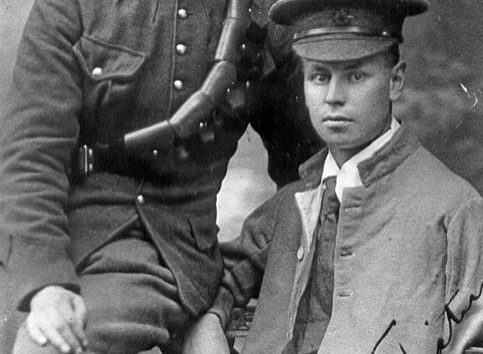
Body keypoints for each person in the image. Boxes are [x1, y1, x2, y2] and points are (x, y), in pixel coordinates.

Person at [183, 0, 483, 353]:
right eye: (320, 76)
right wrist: (209, 322)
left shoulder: (456, 213)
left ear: (395, 80)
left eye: (355, 76)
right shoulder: (291, 206)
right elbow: (218, 279)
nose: (334, 98)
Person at [0, 0, 323, 353]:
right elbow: (31, 154)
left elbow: (314, 172)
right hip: (53, 238)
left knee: (45, 346)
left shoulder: (259, 19)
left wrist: (228, 290)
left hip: (167, 256)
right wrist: (46, 283)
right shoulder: (74, 6)